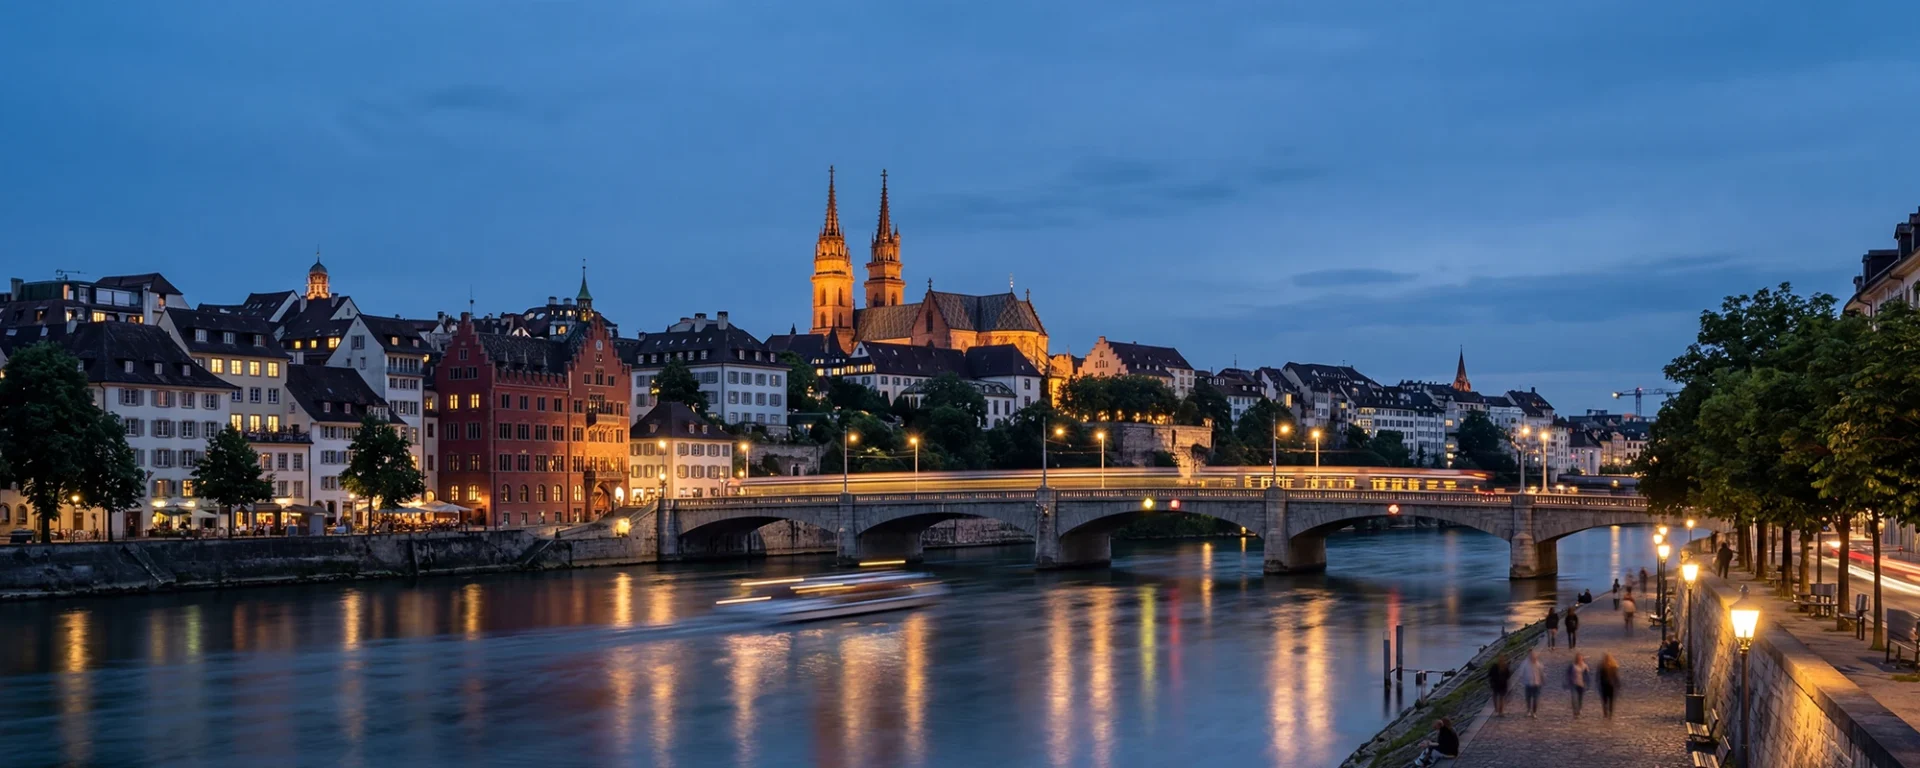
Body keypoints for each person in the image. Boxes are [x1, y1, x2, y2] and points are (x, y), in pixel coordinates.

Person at [1520, 650, 1545, 717]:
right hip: (1528, 684)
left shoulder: (1538, 664)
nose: (1533, 658)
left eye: (1534, 656)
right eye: (1532, 656)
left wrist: (1542, 680)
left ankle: (1534, 712)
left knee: (1535, 699)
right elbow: (1521, 672)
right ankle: (1528, 710)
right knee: (1528, 698)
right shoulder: (1525, 664)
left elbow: (1541, 673)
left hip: (1536, 684)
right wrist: (1523, 680)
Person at [1566, 653, 1590, 717]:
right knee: (1574, 698)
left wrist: (1587, 683)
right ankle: (1575, 711)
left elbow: (1587, 676)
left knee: (1580, 698)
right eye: (1578, 658)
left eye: (1581, 658)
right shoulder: (1572, 665)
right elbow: (1568, 673)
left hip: (1581, 684)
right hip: (1574, 684)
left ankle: (1579, 709)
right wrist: (1568, 681)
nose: (1580, 659)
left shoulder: (1585, 666)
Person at [1598, 653, 1621, 718]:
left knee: (1607, 700)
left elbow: (1615, 676)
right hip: (1609, 685)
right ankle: (1608, 713)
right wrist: (1617, 683)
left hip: (1607, 685)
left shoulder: (1603, 667)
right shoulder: (1609, 667)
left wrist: (1617, 683)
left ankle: (1607, 713)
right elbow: (1615, 677)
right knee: (1609, 700)